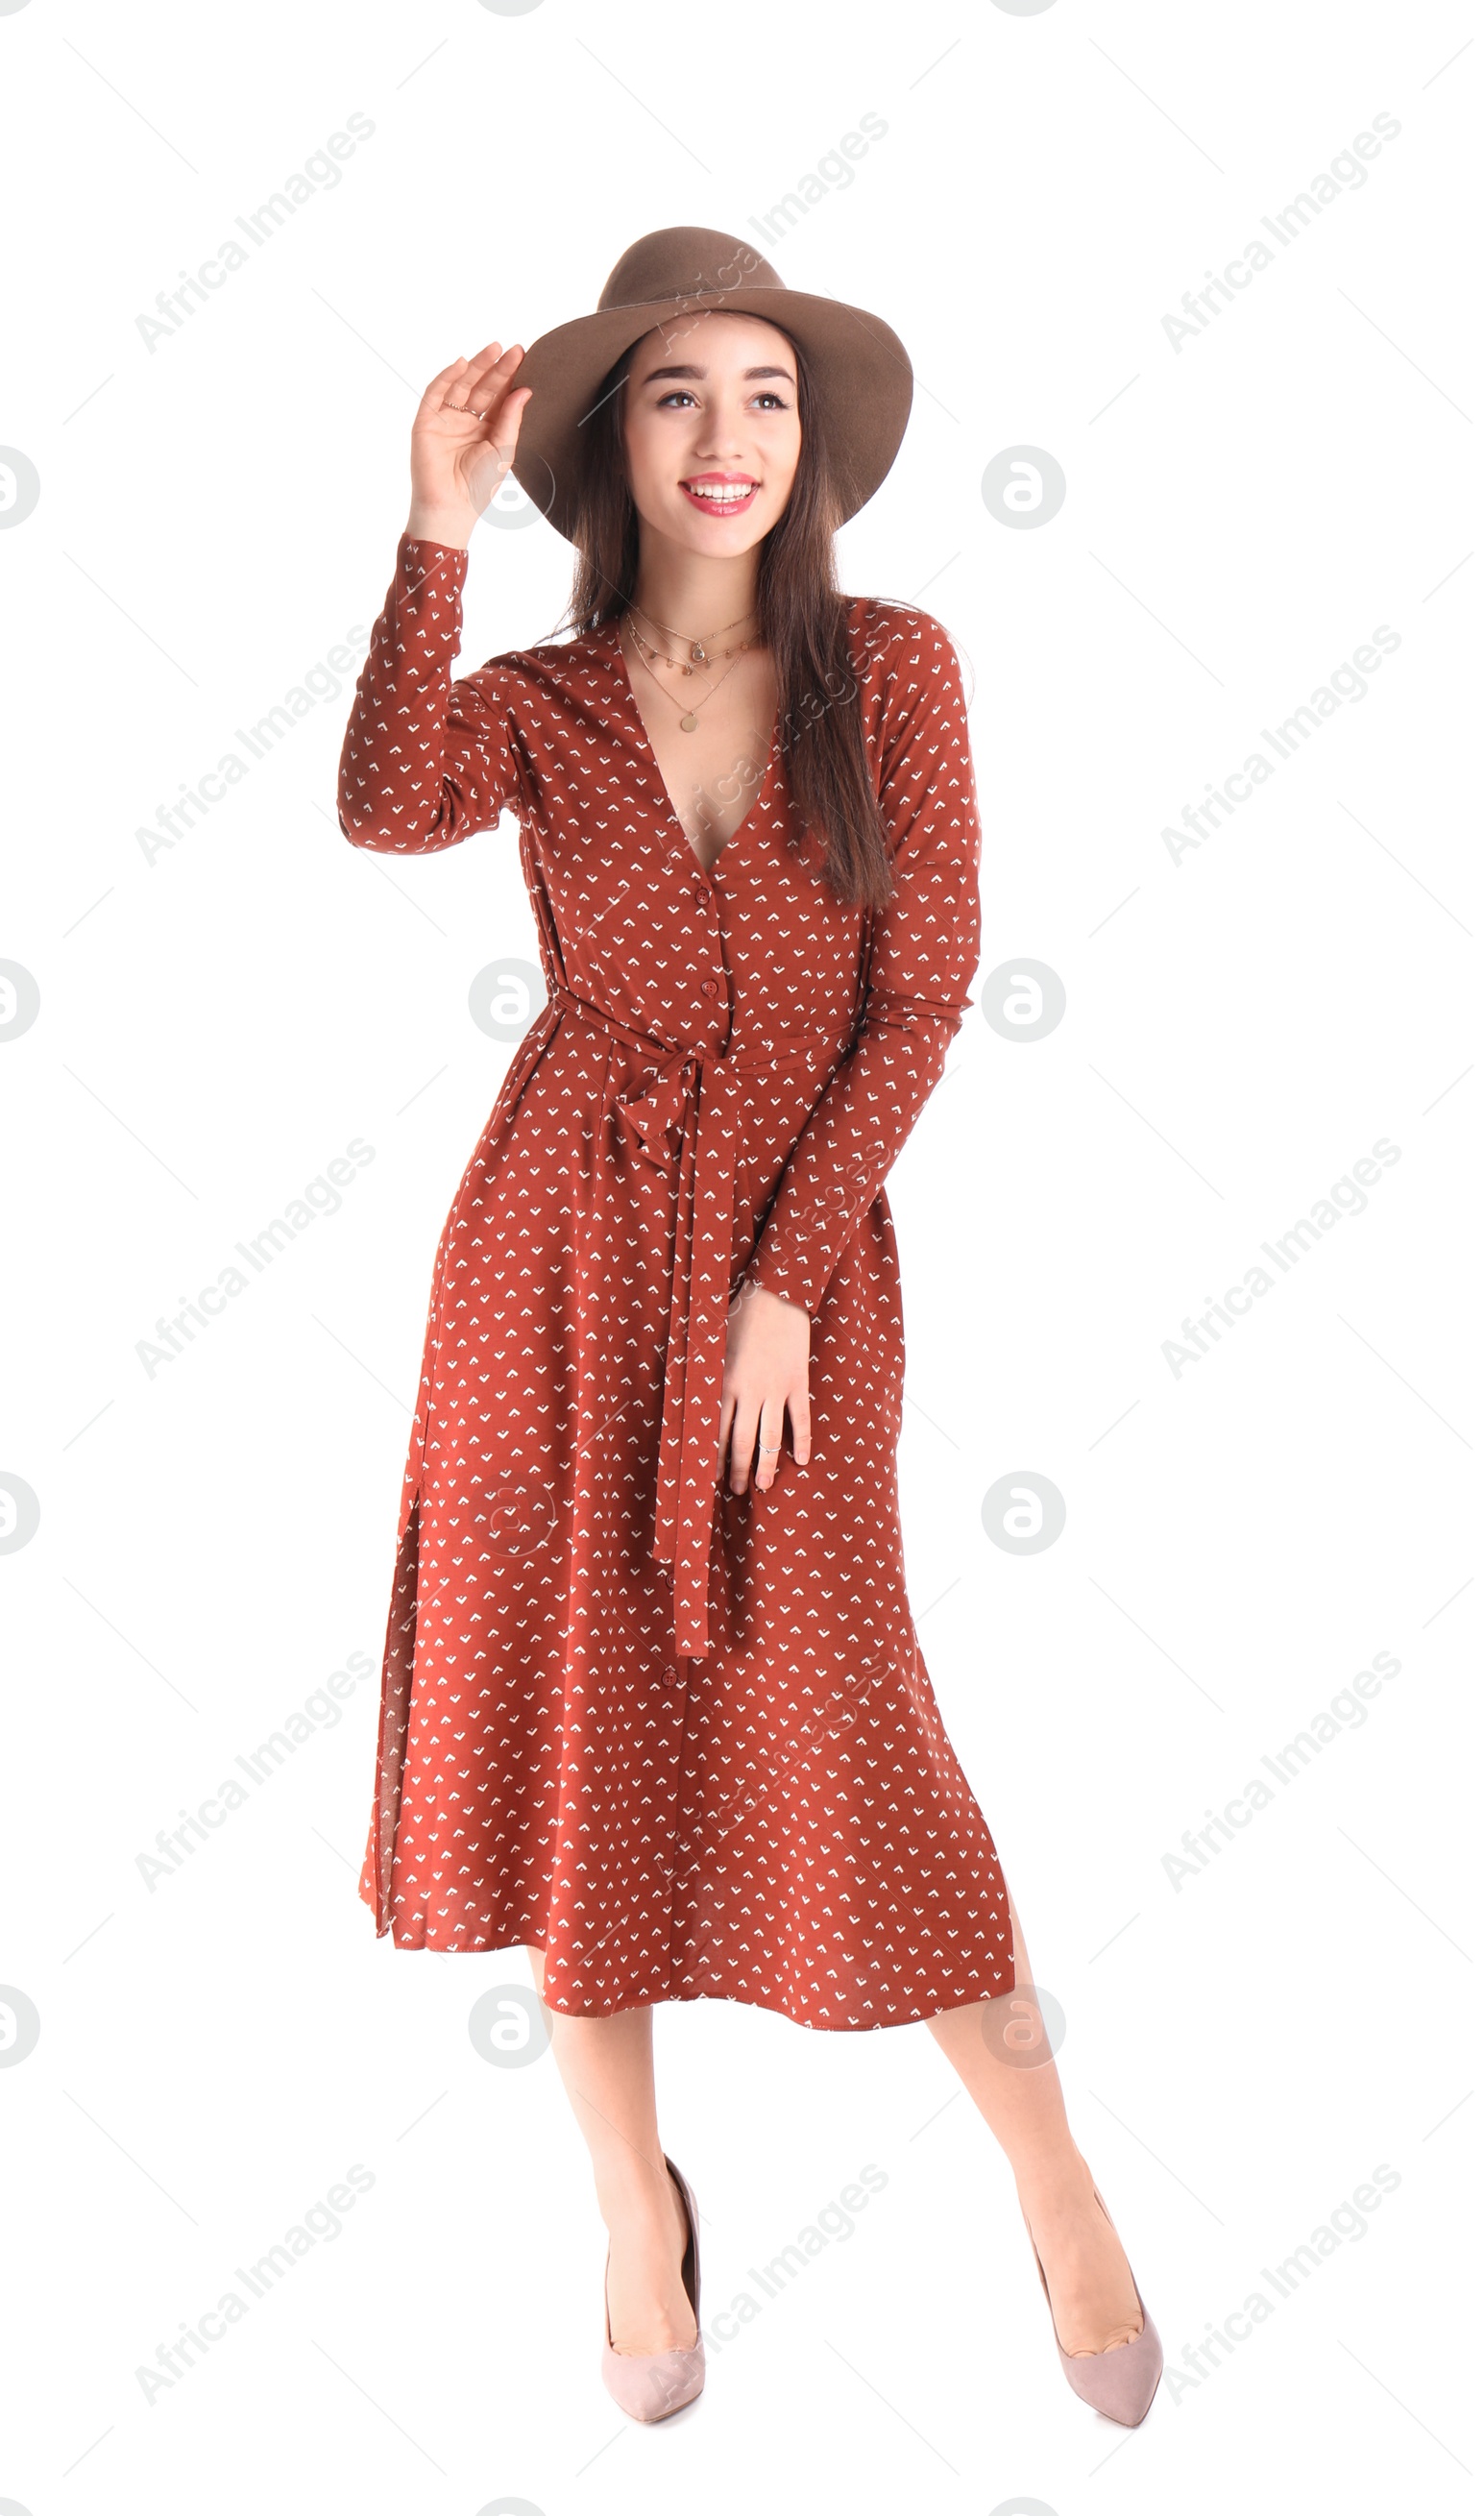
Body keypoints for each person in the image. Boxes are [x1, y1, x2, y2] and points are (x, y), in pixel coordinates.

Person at [336, 226, 1161, 2431]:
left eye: (765, 397)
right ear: (616, 442)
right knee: (570, 1726)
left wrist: (783, 1281)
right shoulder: (539, 697)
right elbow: (381, 801)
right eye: (681, 396)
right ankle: (631, 2205)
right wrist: (429, 526)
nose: (727, 438)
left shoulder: (886, 663)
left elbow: (916, 988)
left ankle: (1053, 2176)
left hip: (794, 1278)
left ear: (811, 447)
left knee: (852, 1714)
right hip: (549, 1262)